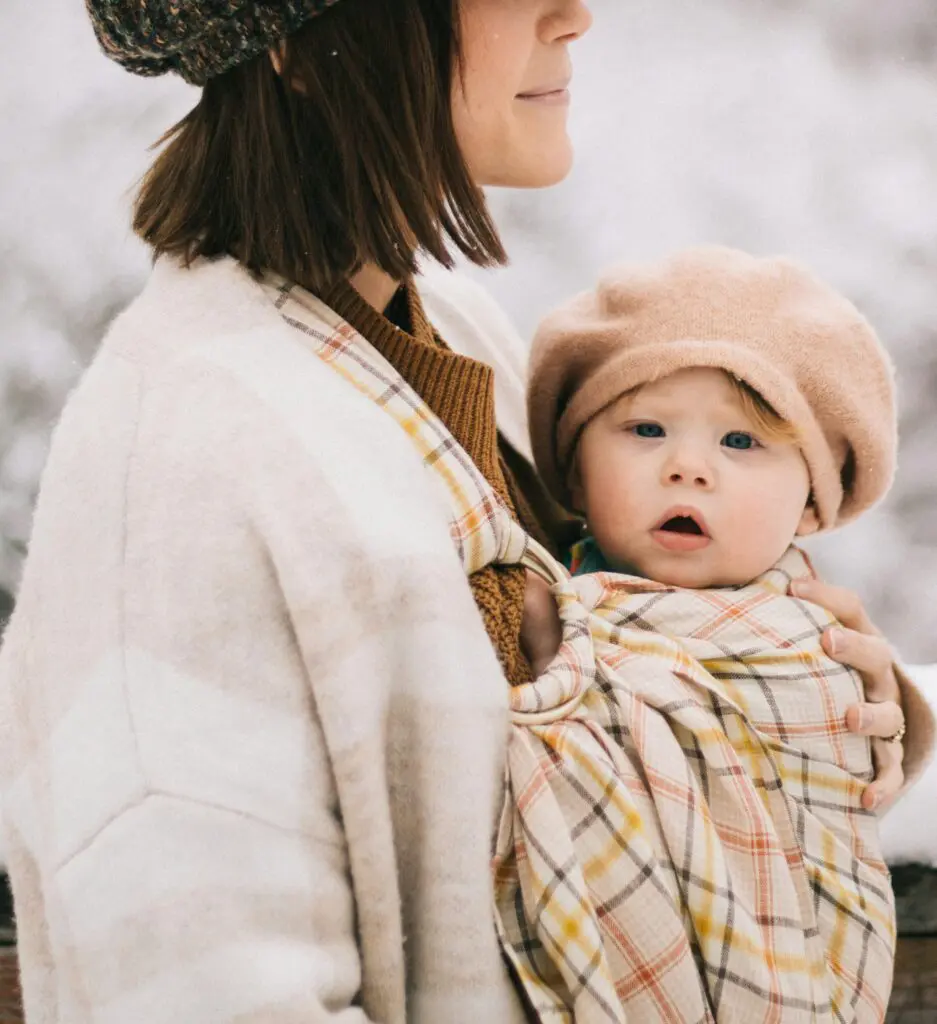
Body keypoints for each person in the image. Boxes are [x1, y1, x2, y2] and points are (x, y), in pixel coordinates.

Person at [0, 2, 930, 1022]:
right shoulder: (178, 462)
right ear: (301, 44)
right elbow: (186, 989)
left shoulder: (443, 341)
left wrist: (780, 688)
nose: (572, 14)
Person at [501, 245, 908, 1019]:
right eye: (645, 429)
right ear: (574, 471)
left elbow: (837, 773)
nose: (687, 468)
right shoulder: (537, 607)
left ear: (812, 506)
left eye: (740, 442)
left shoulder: (813, 647)